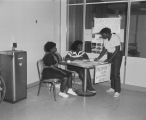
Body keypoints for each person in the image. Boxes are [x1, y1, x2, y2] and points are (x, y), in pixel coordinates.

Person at [94, 27, 123, 98]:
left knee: (116, 73)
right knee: (111, 73)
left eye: (103, 35)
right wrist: (98, 58)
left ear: (107, 34)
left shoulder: (115, 37)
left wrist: (109, 59)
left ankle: (117, 91)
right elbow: (104, 50)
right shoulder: (105, 39)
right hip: (111, 54)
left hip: (117, 55)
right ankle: (113, 88)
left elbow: (117, 50)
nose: (102, 36)